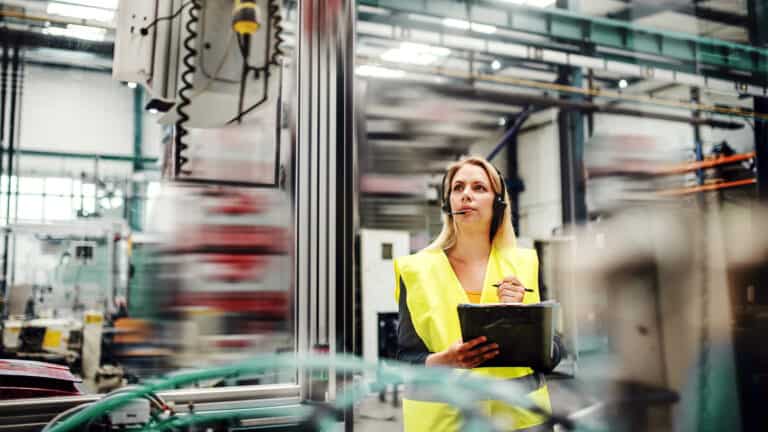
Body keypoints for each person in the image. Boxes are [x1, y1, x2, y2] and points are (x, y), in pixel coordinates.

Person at [394, 156, 560, 431]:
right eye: (458, 188)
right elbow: (404, 356)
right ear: (448, 203)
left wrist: (523, 319)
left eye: (478, 188)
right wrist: (441, 361)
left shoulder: (524, 264)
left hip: (518, 420)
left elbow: (554, 353)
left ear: (497, 203)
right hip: (444, 422)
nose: (466, 195)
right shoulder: (416, 270)